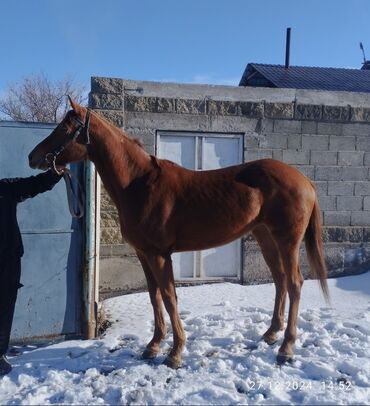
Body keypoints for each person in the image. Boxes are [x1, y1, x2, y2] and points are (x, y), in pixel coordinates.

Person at [0, 169, 64, 375]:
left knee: (4, 309)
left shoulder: (6, 187)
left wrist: (55, 173)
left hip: (7, 260)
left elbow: (35, 184)